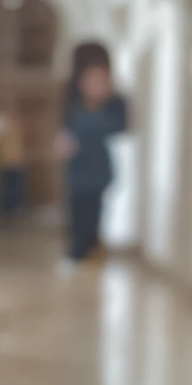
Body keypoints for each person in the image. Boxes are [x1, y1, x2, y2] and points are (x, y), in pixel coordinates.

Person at [56, 41, 128, 269]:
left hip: (97, 169)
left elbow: (118, 127)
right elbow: (68, 131)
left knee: (93, 211)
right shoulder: (74, 104)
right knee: (77, 210)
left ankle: (87, 251)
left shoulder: (113, 105)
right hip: (78, 168)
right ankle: (78, 252)